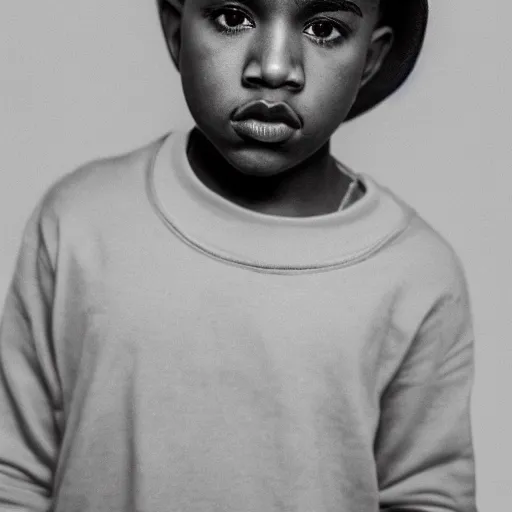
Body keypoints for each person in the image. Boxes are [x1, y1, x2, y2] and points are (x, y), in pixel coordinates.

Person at [0, 0, 477, 510]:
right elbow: (15, 476)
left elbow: (427, 496)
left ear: (371, 59)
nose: (274, 68)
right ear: (176, 28)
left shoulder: (415, 274)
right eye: (233, 17)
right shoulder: (79, 222)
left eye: (323, 29)